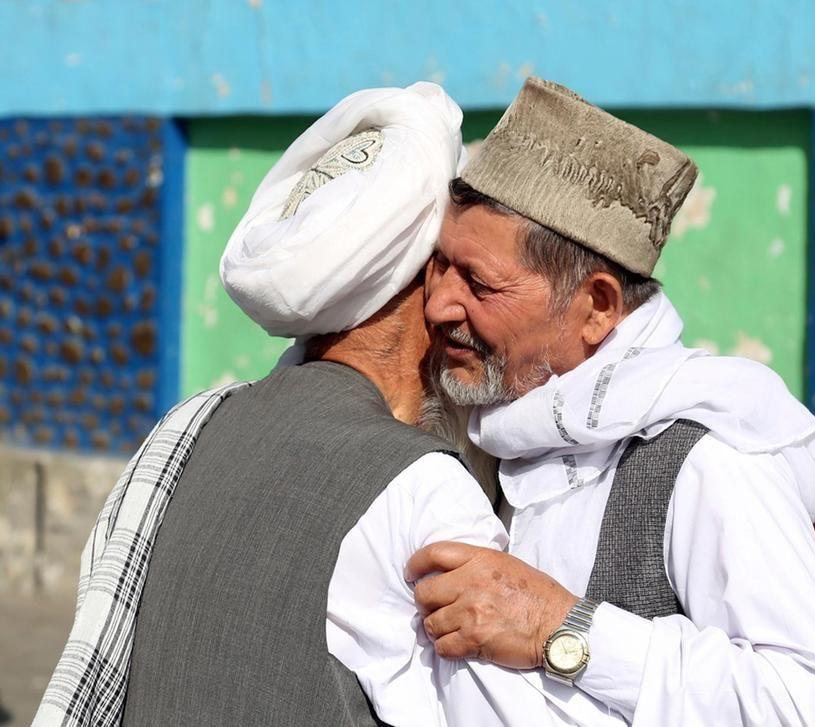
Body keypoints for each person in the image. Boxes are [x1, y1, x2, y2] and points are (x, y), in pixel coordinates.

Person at [34, 84, 622, 727]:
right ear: (423, 280)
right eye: (455, 271)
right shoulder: (421, 487)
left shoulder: (194, 426)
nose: (459, 303)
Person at [408, 77, 815, 726]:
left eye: (479, 282)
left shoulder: (711, 461)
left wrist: (561, 627)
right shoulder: (491, 422)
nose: (441, 304)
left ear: (596, 306)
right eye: (439, 267)